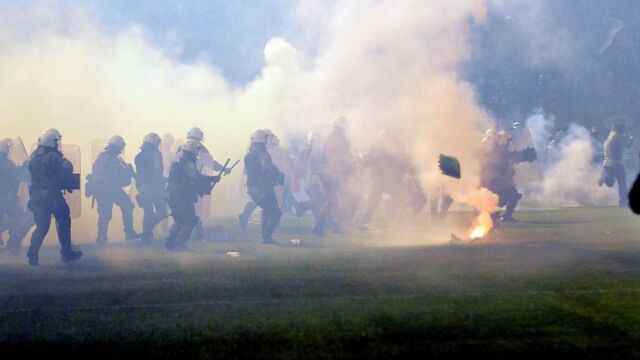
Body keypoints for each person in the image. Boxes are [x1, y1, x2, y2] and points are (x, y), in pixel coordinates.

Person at [26, 129, 82, 265]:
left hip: (35, 196)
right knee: (63, 220)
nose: (57, 143)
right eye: (56, 140)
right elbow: (67, 167)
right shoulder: (53, 156)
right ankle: (66, 253)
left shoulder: (33, 157)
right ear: (51, 141)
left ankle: (32, 254)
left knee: (42, 227)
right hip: (51, 196)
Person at [165, 139, 220, 251]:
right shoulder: (187, 162)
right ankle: (179, 244)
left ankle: (170, 242)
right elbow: (195, 177)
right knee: (190, 219)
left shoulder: (180, 160)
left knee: (180, 219)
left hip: (174, 195)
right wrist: (211, 178)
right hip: (181, 196)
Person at [89, 135, 138, 244]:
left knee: (108, 213)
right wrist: (128, 172)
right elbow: (117, 175)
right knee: (121, 207)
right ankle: (128, 232)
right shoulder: (110, 158)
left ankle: (102, 237)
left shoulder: (106, 156)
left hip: (105, 189)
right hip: (107, 189)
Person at [481, 130, 536, 222]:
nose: (508, 143)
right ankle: (496, 215)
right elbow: (509, 157)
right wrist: (525, 155)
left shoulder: (493, 149)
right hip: (496, 180)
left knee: (508, 196)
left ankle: (497, 215)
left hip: (498, 179)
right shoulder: (495, 151)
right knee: (506, 197)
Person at [244, 129, 284, 244]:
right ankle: (266, 236)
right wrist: (277, 175)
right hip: (262, 188)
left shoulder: (249, 155)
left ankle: (265, 237)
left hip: (254, 188)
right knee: (275, 212)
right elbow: (267, 169)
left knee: (267, 211)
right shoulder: (262, 155)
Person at [0, 138, 34, 255]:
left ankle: (13, 242)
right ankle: (13, 243)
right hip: (7, 198)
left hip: (5, 197)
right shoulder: (5, 163)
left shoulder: (4, 162)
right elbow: (17, 175)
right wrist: (25, 166)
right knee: (18, 218)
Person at [134, 133, 168, 242]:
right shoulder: (156, 154)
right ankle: (147, 231)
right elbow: (157, 171)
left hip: (142, 187)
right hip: (154, 187)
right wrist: (163, 182)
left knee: (148, 211)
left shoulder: (138, 156)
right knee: (162, 212)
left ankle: (146, 236)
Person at [599, 123, 628, 207]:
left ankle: (605, 177)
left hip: (607, 163)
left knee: (610, 183)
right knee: (622, 183)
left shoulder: (610, 136)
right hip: (615, 163)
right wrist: (629, 139)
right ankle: (622, 202)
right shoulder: (618, 136)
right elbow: (627, 146)